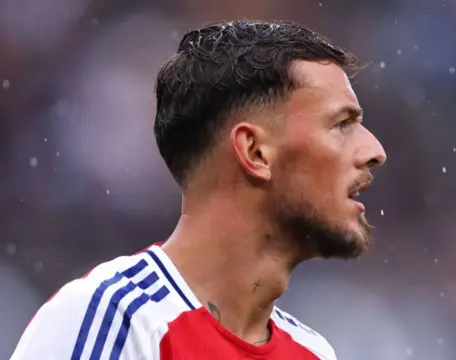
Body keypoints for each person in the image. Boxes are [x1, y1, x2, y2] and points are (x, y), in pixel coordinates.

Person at [10, 20, 386, 359]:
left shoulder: (314, 353)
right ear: (256, 152)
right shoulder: (114, 321)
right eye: (341, 124)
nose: (375, 152)